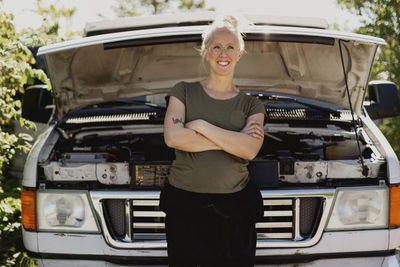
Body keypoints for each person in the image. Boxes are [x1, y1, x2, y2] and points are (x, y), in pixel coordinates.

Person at [161, 14, 266, 267]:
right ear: (206, 52)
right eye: (216, 46)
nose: (223, 53)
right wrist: (233, 140)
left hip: (235, 211)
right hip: (184, 207)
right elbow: (173, 137)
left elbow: (250, 150)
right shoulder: (183, 91)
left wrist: (201, 126)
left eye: (230, 47)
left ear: (239, 54)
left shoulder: (252, 104)